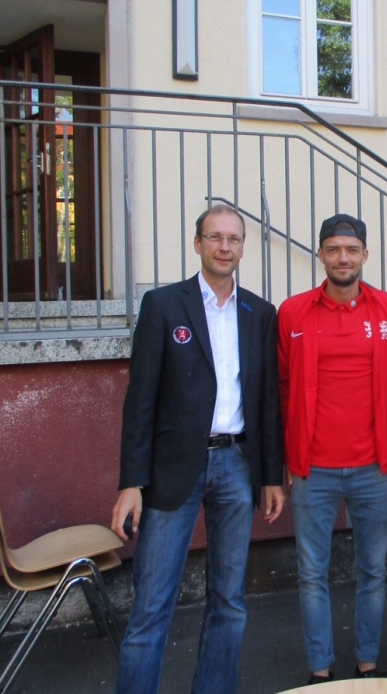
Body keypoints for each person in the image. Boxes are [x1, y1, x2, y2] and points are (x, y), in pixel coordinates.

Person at [111, 203, 286, 694]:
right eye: (215, 237)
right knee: (152, 606)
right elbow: (140, 401)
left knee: (229, 601)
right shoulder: (164, 305)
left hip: (237, 465)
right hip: (174, 469)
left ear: (243, 248)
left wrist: (271, 475)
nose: (224, 247)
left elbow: (267, 401)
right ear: (197, 244)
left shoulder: (259, 313)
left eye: (233, 239)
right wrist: (131, 482)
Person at [278, 213, 387, 685]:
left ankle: (368, 663)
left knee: (372, 570)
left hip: (371, 467)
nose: (343, 258)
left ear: (365, 256)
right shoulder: (293, 312)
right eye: (333, 249)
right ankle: (320, 671)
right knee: (311, 572)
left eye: (351, 250)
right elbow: (281, 385)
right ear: (320, 254)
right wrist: (288, 453)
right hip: (311, 467)